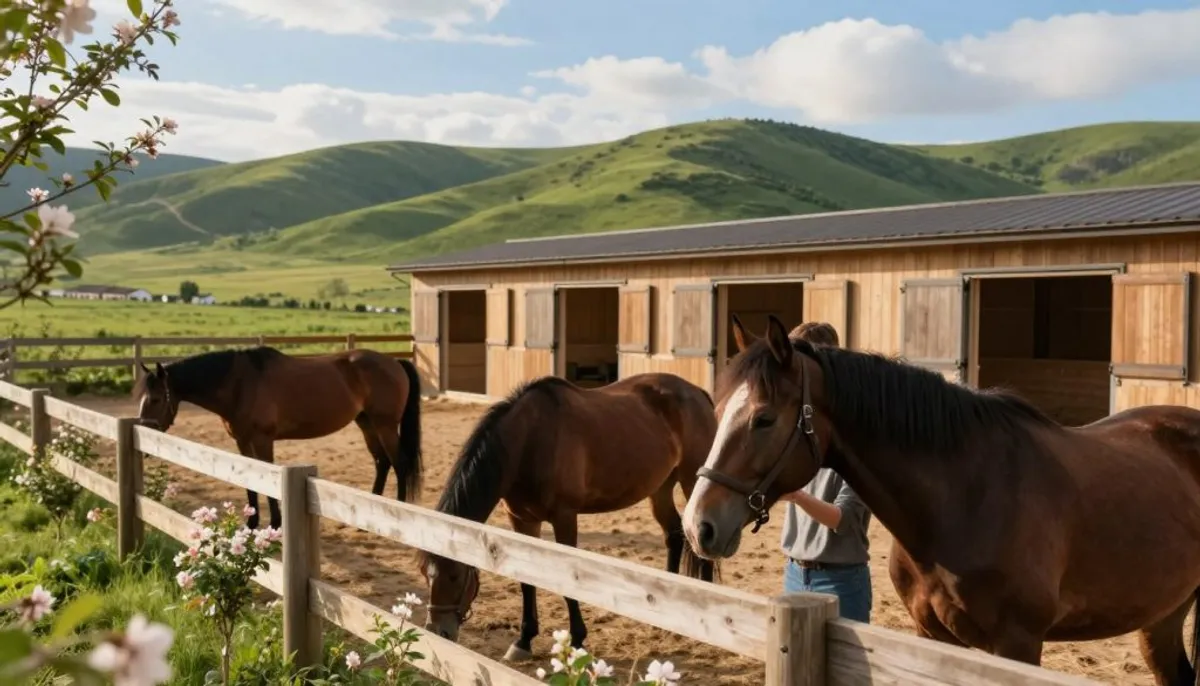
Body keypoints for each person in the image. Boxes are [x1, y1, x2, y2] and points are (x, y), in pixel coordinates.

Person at [778, 322, 874, 623]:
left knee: (848, 669)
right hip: (794, 572)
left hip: (840, 581)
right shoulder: (799, 437)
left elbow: (842, 519)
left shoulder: (857, 443)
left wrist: (797, 496)